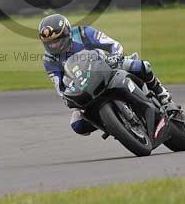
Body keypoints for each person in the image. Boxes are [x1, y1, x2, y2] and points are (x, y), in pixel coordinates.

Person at [38, 13, 174, 136]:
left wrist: (116, 56)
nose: (54, 46)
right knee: (77, 125)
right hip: (84, 86)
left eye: (57, 41)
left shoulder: (83, 33)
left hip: (106, 67)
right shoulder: (49, 59)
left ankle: (163, 95)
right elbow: (59, 86)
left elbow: (113, 45)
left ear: (67, 34)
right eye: (50, 44)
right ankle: (113, 126)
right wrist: (68, 98)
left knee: (141, 66)